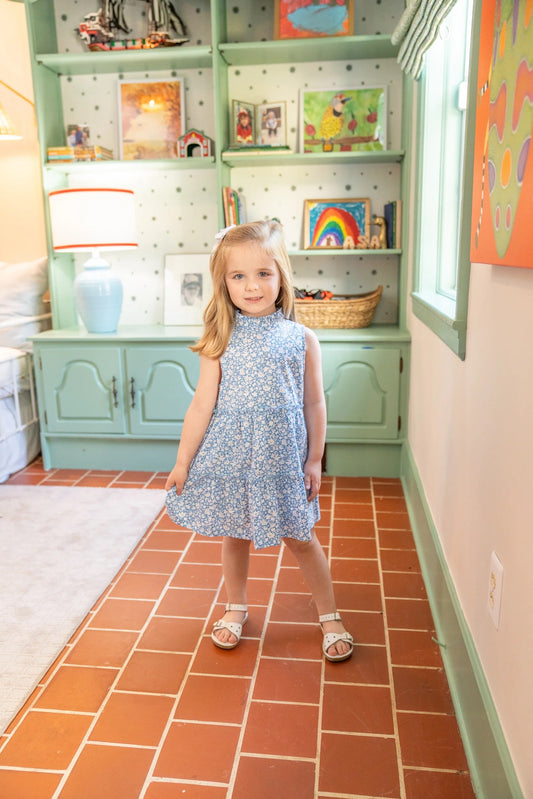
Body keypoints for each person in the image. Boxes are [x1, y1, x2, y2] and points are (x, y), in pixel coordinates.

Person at [165, 220, 353, 662]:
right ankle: (236, 607)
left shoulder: (302, 339)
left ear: (281, 275)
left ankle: (329, 615)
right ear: (224, 282)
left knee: (302, 537)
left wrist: (314, 459)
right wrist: (183, 461)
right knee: (234, 535)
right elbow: (200, 407)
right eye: (239, 276)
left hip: (283, 457)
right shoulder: (220, 339)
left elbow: (314, 405)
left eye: (263, 274)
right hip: (231, 455)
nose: (252, 286)